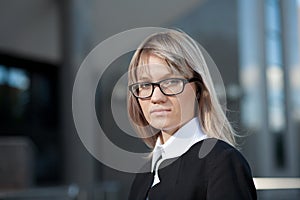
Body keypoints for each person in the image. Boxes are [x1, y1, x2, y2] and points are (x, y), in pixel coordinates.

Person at [127, 29, 257, 200]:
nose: (156, 97)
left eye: (171, 81)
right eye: (144, 84)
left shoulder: (221, 163)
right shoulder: (143, 176)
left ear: (199, 89)